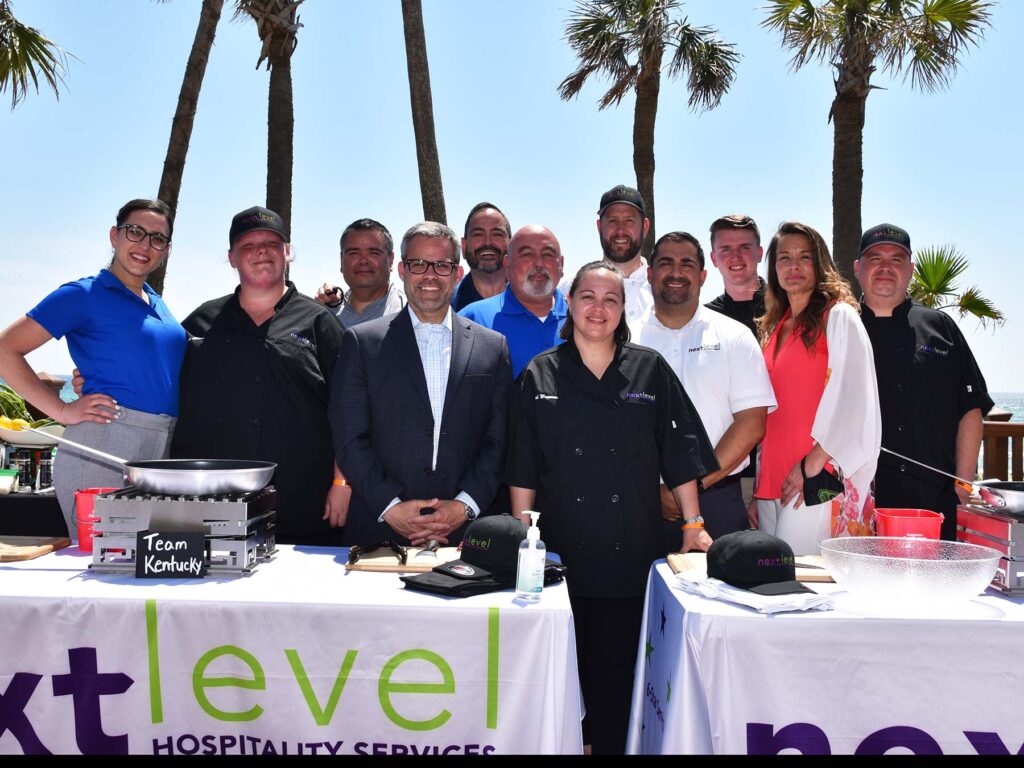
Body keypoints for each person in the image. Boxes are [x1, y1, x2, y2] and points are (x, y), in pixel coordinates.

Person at [505, 261, 717, 755]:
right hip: (560, 553)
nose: (598, 309)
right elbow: (522, 466)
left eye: (610, 299)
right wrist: (522, 538)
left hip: (632, 551)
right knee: (565, 670)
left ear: (623, 310)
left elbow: (680, 451)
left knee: (620, 671)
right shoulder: (541, 373)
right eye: (587, 297)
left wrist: (693, 524)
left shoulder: (649, 369)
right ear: (570, 303)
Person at [0, 199, 186, 539]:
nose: (145, 245)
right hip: (103, 445)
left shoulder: (157, 304)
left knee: (141, 572)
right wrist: (61, 410)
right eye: (135, 232)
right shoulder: (82, 295)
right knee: (102, 570)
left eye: (157, 238)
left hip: (160, 449)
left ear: (166, 250)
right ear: (115, 236)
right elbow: (5, 349)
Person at [170, 206, 347, 546]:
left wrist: (342, 484)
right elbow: (157, 383)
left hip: (304, 504)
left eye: (272, 243)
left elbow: (349, 410)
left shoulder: (320, 323)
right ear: (232, 258)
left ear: (288, 253)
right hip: (214, 504)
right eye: (249, 245)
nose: (261, 251)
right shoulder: (200, 323)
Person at [330, 222, 512, 548]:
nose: (430, 275)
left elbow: (498, 440)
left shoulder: (493, 347)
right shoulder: (361, 343)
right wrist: (392, 507)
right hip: (379, 531)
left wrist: (464, 506)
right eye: (418, 264)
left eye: (442, 265)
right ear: (402, 269)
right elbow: (349, 436)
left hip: (465, 536)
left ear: (457, 273)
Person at [630, 231, 776, 551]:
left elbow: (752, 423)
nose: (677, 272)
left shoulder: (735, 336)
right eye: (666, 263)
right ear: (650, 274)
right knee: (635, 599)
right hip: (637, 501)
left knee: (724, 596)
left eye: (687, 264)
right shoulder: (625, 339)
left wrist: (692, 486)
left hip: (717, 500)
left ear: (703, 275)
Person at [855, 223, 993, 541]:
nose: (885, 267)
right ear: (858, 268)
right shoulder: (840, 325)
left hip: (934, 500)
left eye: (896, 259)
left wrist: (962, 485)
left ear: (911, 269)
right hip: (859, 499)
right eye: (875, 258)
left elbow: (971, 408)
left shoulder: (940, 326)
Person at [754, 221, 881, 556]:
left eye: (804, 257)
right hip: (772, 482)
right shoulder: (773, 327)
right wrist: (758, 487)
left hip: (817, 478)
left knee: (806, 587)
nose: (793, 266)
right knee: (774, 586)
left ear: (820, 264)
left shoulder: (838, 316)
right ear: (773, 267)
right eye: (784, 258)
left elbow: (855, 397)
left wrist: (813, 463)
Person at [705, 214, 767, 510]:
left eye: (745, 247)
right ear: (713, 258)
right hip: (724, 475)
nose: (736, 256)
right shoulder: (703, 320)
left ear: (760, 253)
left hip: (782, 471)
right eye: (725, 249)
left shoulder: (789, 311)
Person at [458, 224, 568, 378]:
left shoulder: (584, 321)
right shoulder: (470, 320)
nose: (539, 263)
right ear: (507, 264)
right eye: (527, 254)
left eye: (548, 254)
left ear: (561, 264)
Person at [315, 218, 406, 328]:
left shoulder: (413, 313)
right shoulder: (323, 316)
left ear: (391, 260)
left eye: (373, 253)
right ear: (341, 260)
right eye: (354, 253)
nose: (363, 261)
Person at [594, 184, 654, 324]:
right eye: (612, 221)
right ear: (599, 227)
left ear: (645, 227)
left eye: (629, 221)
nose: (620, 230)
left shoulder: (664, 290)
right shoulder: (573, 288)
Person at [450, 202, 510, 311]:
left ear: (511, 244)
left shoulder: (538, 299)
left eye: (497, 234)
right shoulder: (447, 308)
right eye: (478, 234)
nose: (487, 242)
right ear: (464, 247)